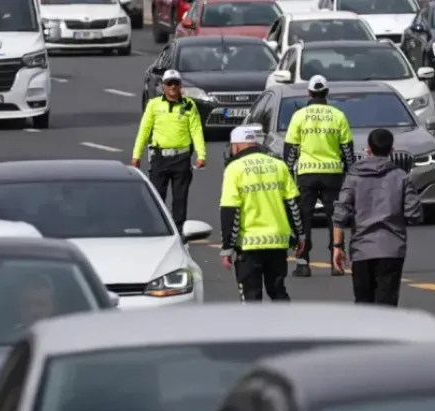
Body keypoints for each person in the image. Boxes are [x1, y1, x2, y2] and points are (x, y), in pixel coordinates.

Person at [331, 129, 422, 306]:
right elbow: (414, 213)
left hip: (361, 250)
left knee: (364, 305)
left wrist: (337, 246)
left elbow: (340, 213)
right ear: (391, 150)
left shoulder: (354, 177)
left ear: (368, 149)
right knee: (386, 306)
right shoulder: (401, 177)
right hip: (391, 249)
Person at [220, 126, 305, 302]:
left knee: (251, 298)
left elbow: (231, 210)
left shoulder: (234, 169)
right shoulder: (278, 165)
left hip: (249, 244)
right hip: (278, 242)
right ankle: (287, 329)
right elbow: (293, 205)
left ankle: (256, 330)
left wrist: (227, 247)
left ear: (236, 146)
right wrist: (300, 235)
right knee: (278, 292)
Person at [284, 74, 355, 277]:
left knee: (304, 219)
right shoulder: (338, 115)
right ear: (327, 93)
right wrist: (351, 174)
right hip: (332, 174)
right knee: (335, 218)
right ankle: (336, 262)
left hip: (307, 174)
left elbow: (291, 149)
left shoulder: (299, 116)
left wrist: (288, 172)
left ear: (309, 92)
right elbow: (347, 150)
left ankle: (303, 262)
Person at [132, 69, 206, 234]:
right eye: (169, 84)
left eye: (176, 83)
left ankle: (179, 231)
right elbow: (144, 131)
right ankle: (157, 229)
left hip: (182, 158)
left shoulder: (188, 105)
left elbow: (196, 130)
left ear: (180, 85)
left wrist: (201, 154)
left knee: (180, 199)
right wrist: (136, 155)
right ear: (163, 86)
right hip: (160, 158)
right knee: (157, 197)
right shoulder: (154, 104)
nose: (172, 87)